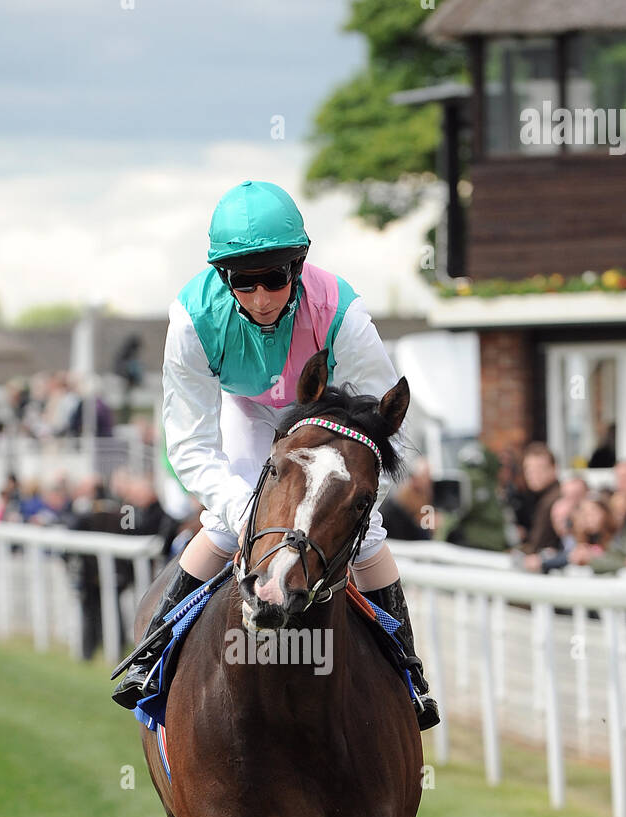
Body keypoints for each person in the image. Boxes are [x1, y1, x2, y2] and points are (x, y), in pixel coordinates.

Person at [113, 179, 439, 728]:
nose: (261, 298)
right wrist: (244, 508)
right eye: (244, 283)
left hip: (324, 420)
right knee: (225, 524)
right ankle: (153, 659)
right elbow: (189, 442)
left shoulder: (345, 317)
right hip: (247, 409)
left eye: (274, 279)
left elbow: (387, 427)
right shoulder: (192, 321)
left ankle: (409, 674)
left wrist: (352, 501)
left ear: (298, 267)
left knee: (371, 535)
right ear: (224, 278)